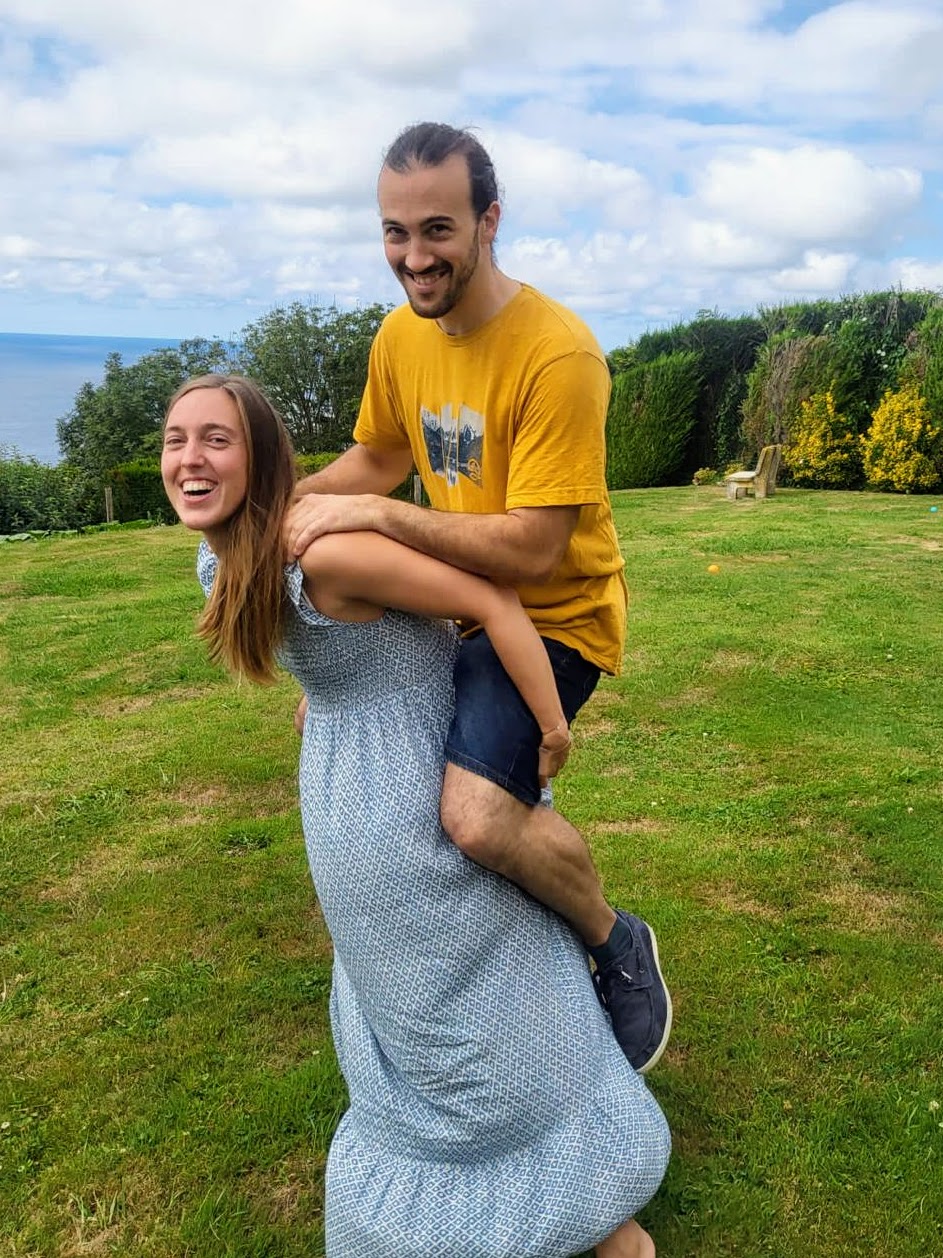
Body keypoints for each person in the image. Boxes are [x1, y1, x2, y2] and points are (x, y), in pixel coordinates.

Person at [161, 373, 670, 1258]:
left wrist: (549, 725)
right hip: (371, 794)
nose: (189, 459)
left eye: (216, 439)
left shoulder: (309, 553)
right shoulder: (245, 555)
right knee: (456, 995)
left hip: (384, 790)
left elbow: (489, 602)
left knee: (458, 1000)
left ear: (262, 458)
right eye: (176, 439)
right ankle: (572, 1201)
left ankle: (584, 1212)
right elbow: (383, 635)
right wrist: (337, 690)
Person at [286, 121, 671, 1073]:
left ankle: (613, 940)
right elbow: (379, 455)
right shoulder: (400, 336)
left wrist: (377, 517)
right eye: (395, 232)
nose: (414, 258)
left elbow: (534, 550)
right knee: (361, 749)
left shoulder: (557, 355)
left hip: (555, 616)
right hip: (457, 601)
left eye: (437, 230)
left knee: (476, 817)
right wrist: (280, 508)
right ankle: (495, 971)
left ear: (489, 221)